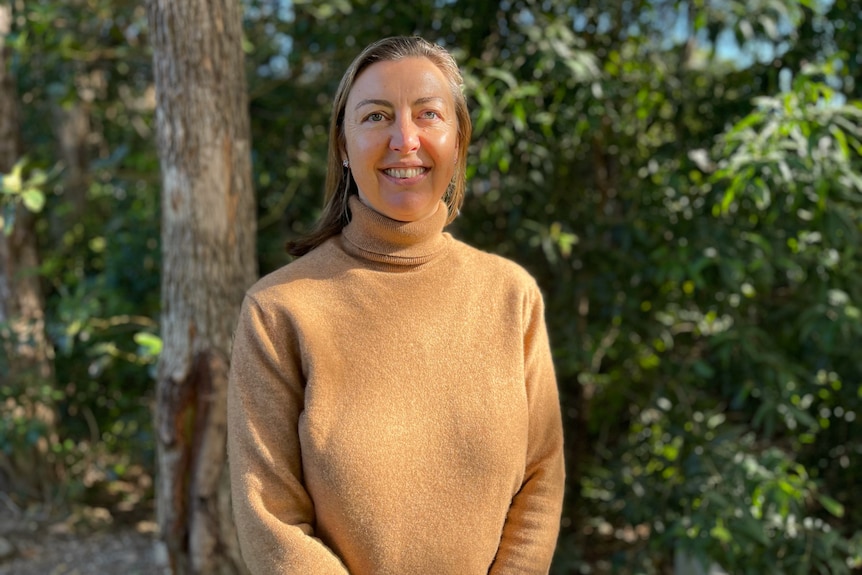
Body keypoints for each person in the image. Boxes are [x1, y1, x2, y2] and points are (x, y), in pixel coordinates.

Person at [227, 36, 565, 575]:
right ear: (342, 143)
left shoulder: (511, 297)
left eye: (428, 114)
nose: (404, 139)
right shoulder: (279, 310)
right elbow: (270, 516)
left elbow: (541, 476)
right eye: (376, 116)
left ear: (457, 141)